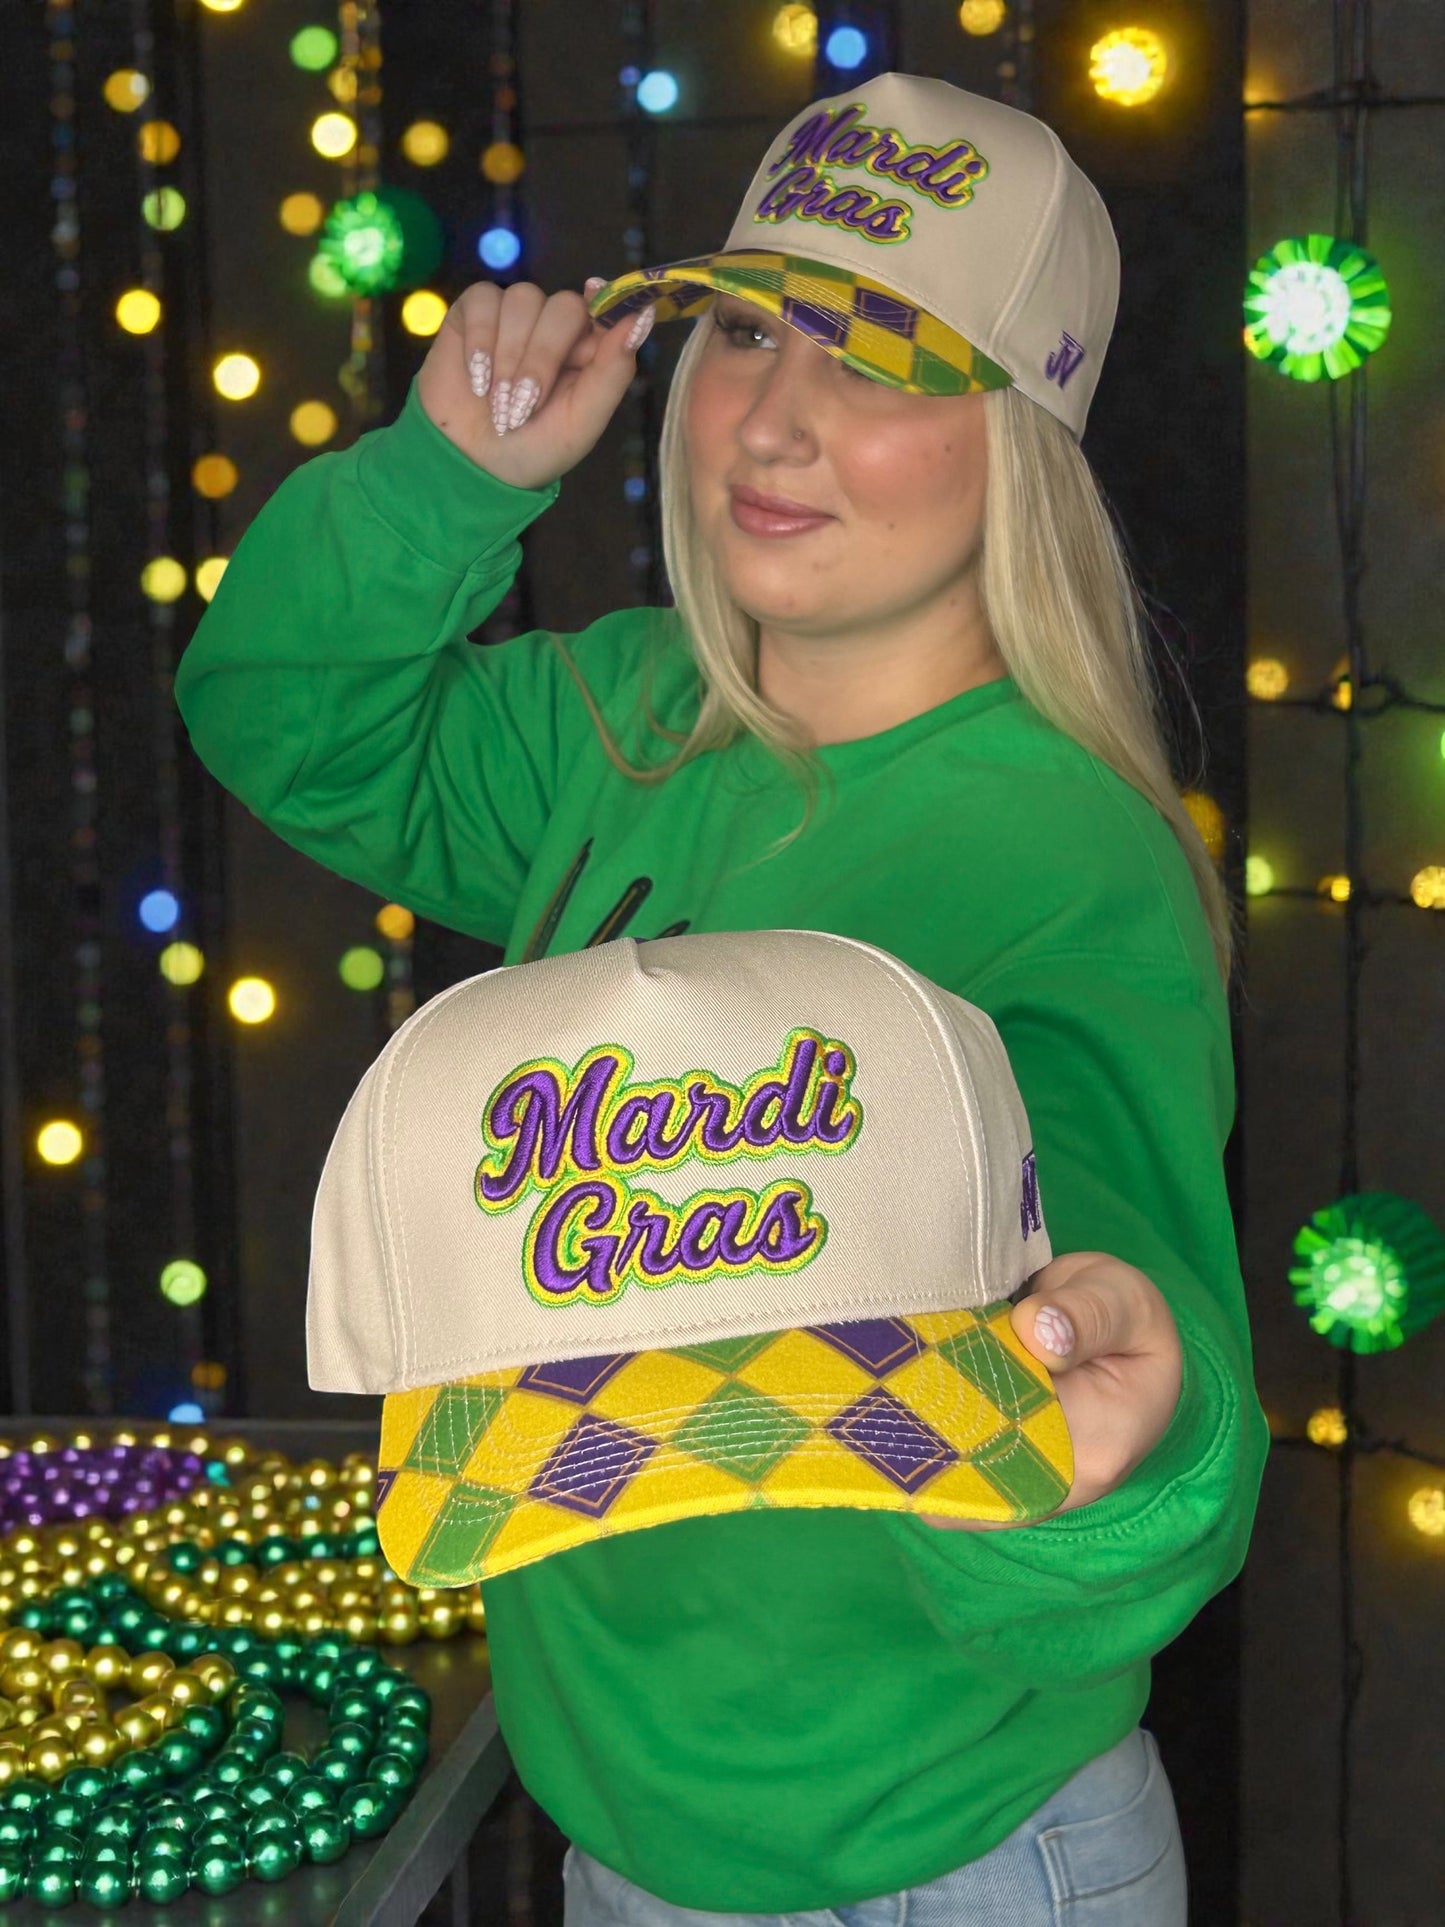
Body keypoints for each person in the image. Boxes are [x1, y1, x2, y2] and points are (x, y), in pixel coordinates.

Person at [175, 72, 1269, 1927]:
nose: (770, 419)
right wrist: (448, 479)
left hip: (959, 1867)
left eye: (881, 362)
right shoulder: (622, 721)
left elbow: (1163, 1417)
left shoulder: (1060, 864)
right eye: (748, 329)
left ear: (1024, 442)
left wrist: (1102, 1468)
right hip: (632, 1846)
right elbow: (279, 716)